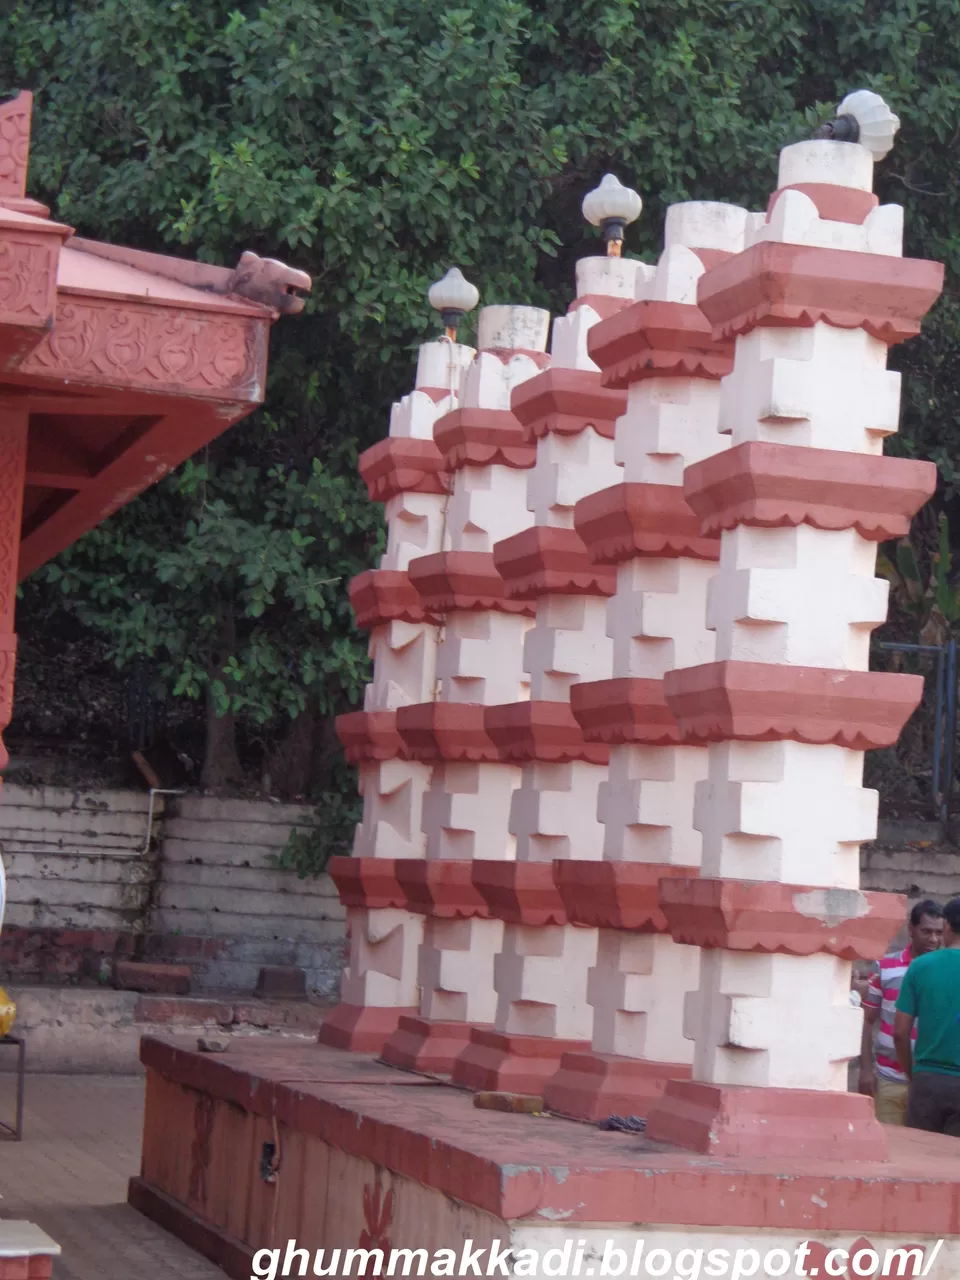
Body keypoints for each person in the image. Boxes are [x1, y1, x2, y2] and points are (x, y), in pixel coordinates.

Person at [859, 900, 943, 1124]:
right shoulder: (884, 966)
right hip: (889, 1078)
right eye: (926, 931)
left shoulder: (946, 970)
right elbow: (866, 1020)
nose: (933, 939)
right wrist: (866, 1070)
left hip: (930, 1084)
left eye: (938, 933)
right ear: (911, 929)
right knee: (889, 1141)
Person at [894, 895, 960, 1135]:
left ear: (947, 927)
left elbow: (900, 1033)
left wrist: (913, 1074)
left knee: (919, 1153)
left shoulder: (920, 966)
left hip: (927, 1080)